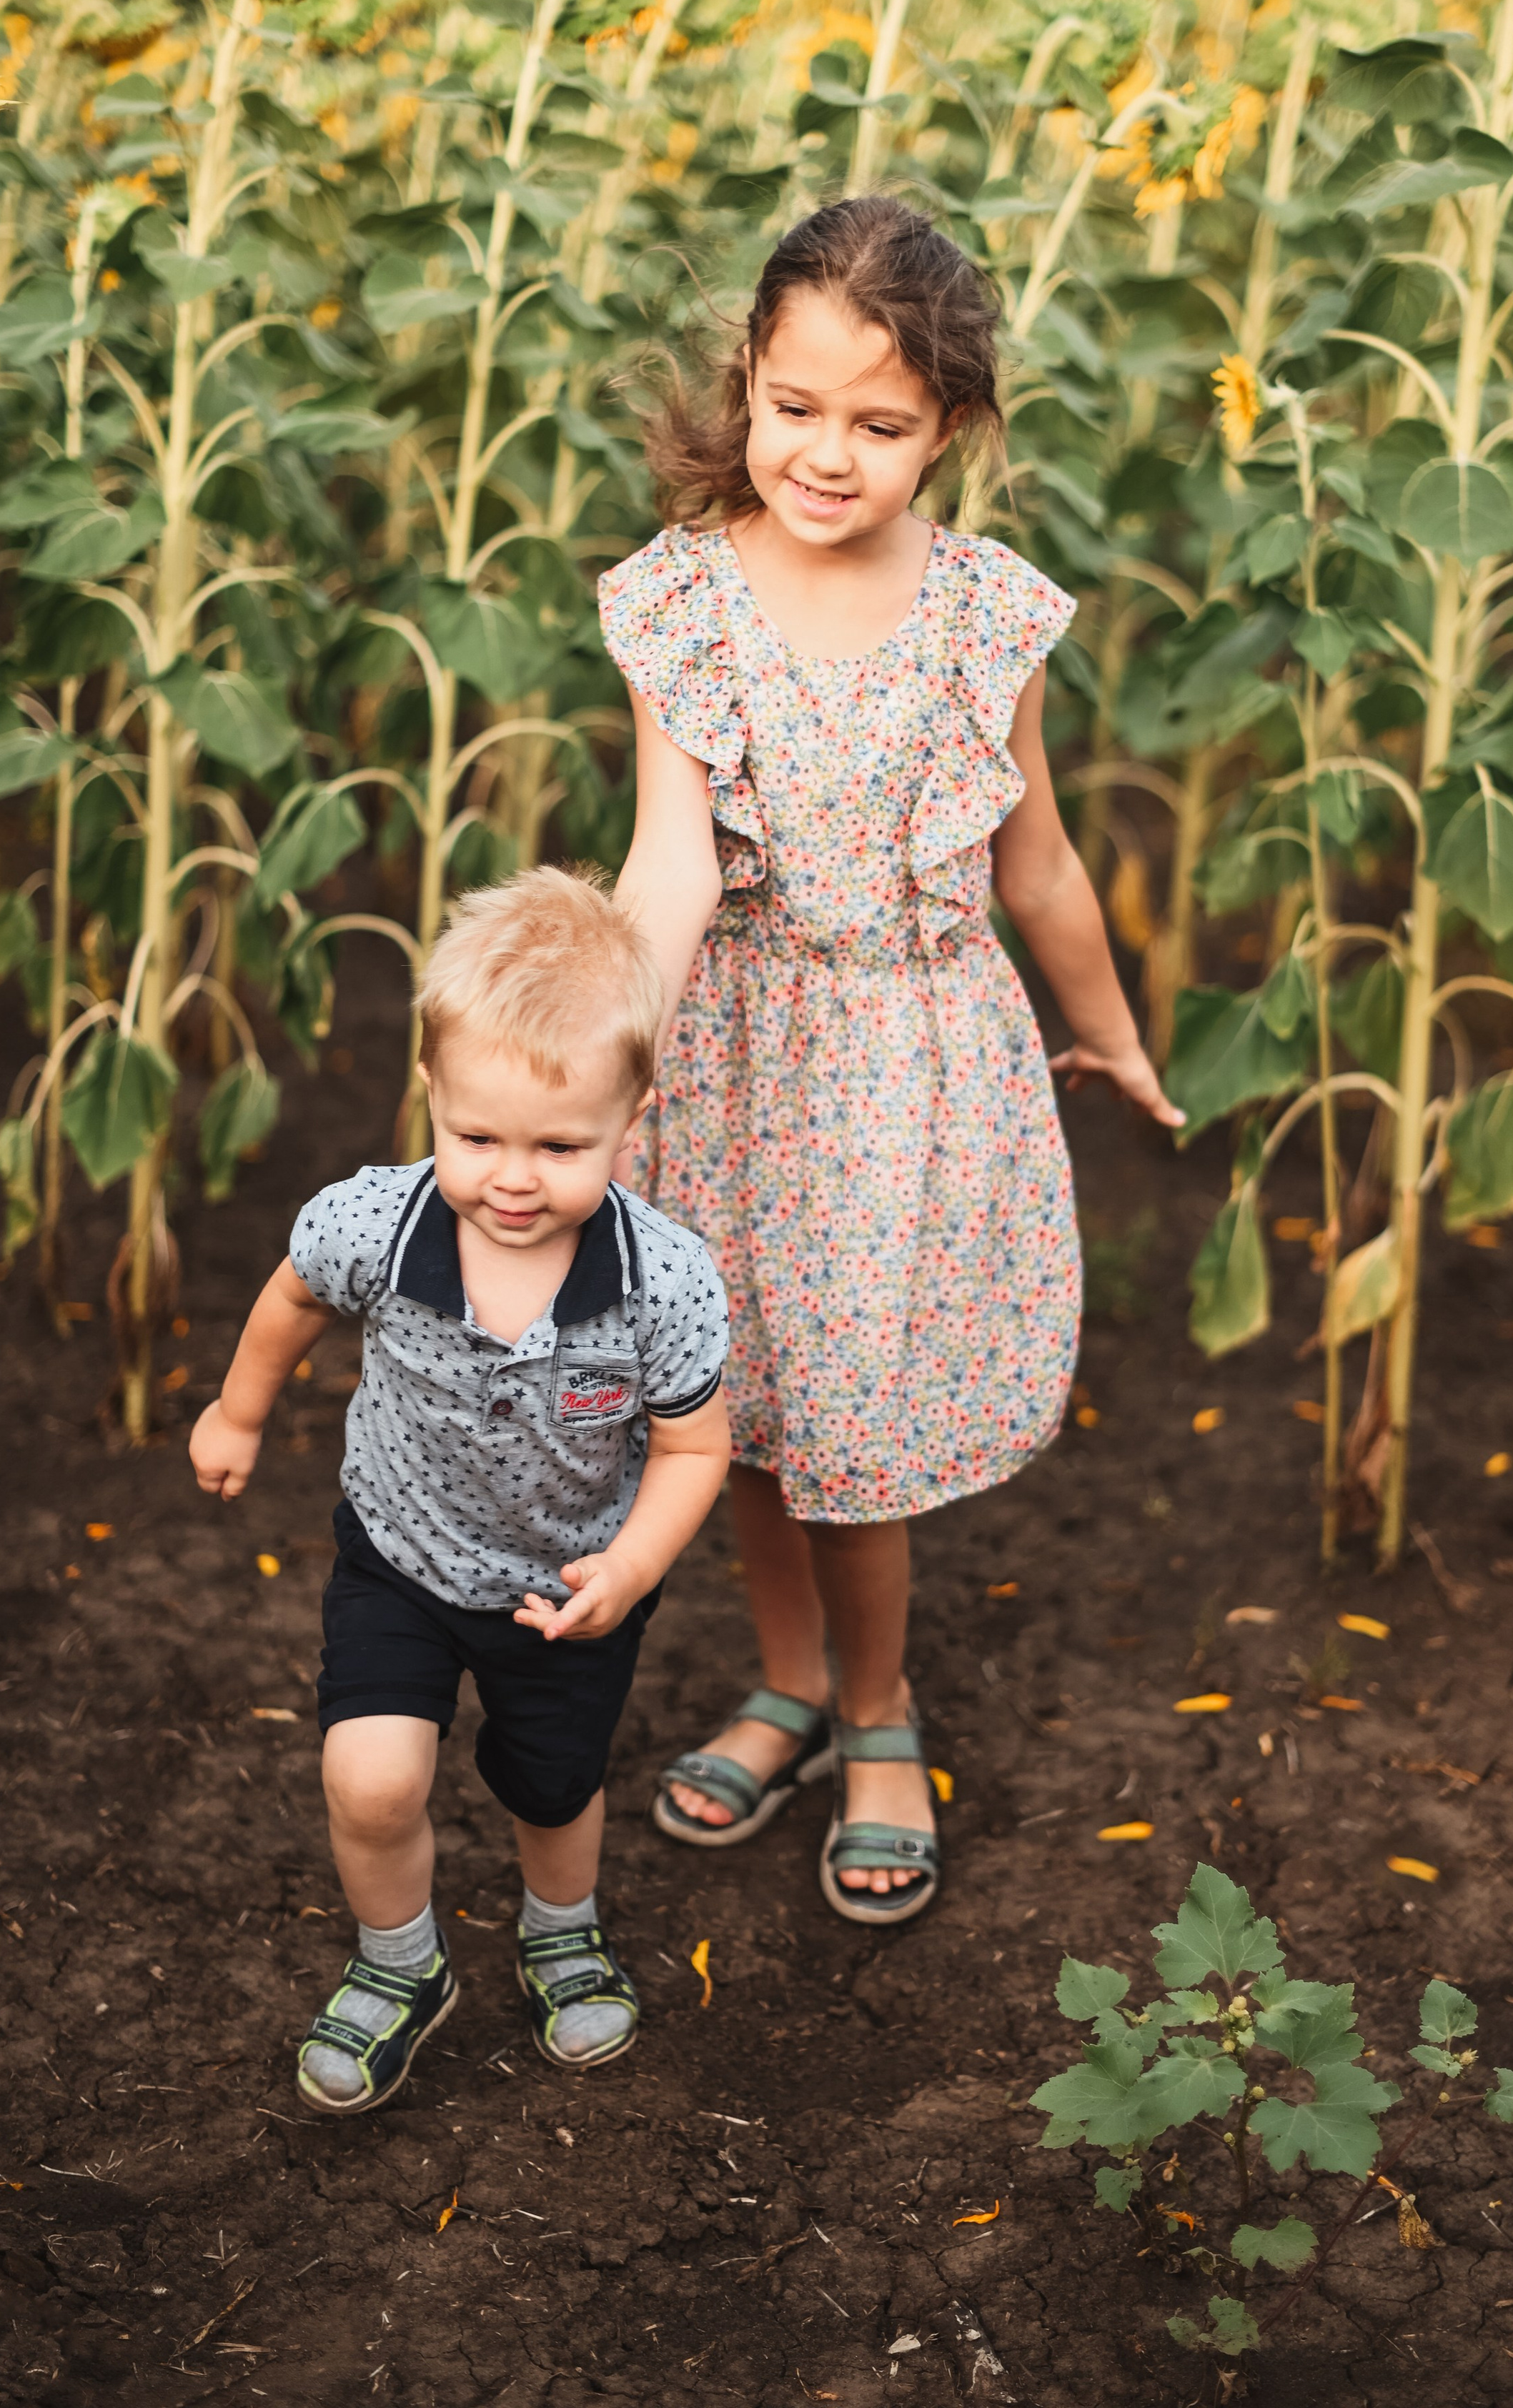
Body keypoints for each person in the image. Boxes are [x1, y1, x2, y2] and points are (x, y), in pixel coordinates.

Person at [601, 193, 1181, 1928]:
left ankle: (874, 1712)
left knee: (851, 1428)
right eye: (792, 407)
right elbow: (665, 867)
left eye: (877, 424)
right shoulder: (683, 599)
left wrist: (1108, 1031)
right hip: (729, 1055)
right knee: (740, 1409)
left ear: (950, 429)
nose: (823, 455)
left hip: (907, 1071)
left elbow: (1038, 862)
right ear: (746, 383)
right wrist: (602, 1068)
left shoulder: (979, 613)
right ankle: (785, 1684)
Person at [188, 867, 730, 2109]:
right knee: (370, 1777)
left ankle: (561, 1927)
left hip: (567, 1588)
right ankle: (400, 1962)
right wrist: (239, 1410)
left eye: (561, 1146)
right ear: (432, 1089)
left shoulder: (663, 1281)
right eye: (479, 1138)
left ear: (633, 1115)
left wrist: (631, 1569)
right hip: (401, 1557)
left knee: (554, 1784)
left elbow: (695, 1449)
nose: (514, 1179)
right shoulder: (376, 1226)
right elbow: (293, 1296)